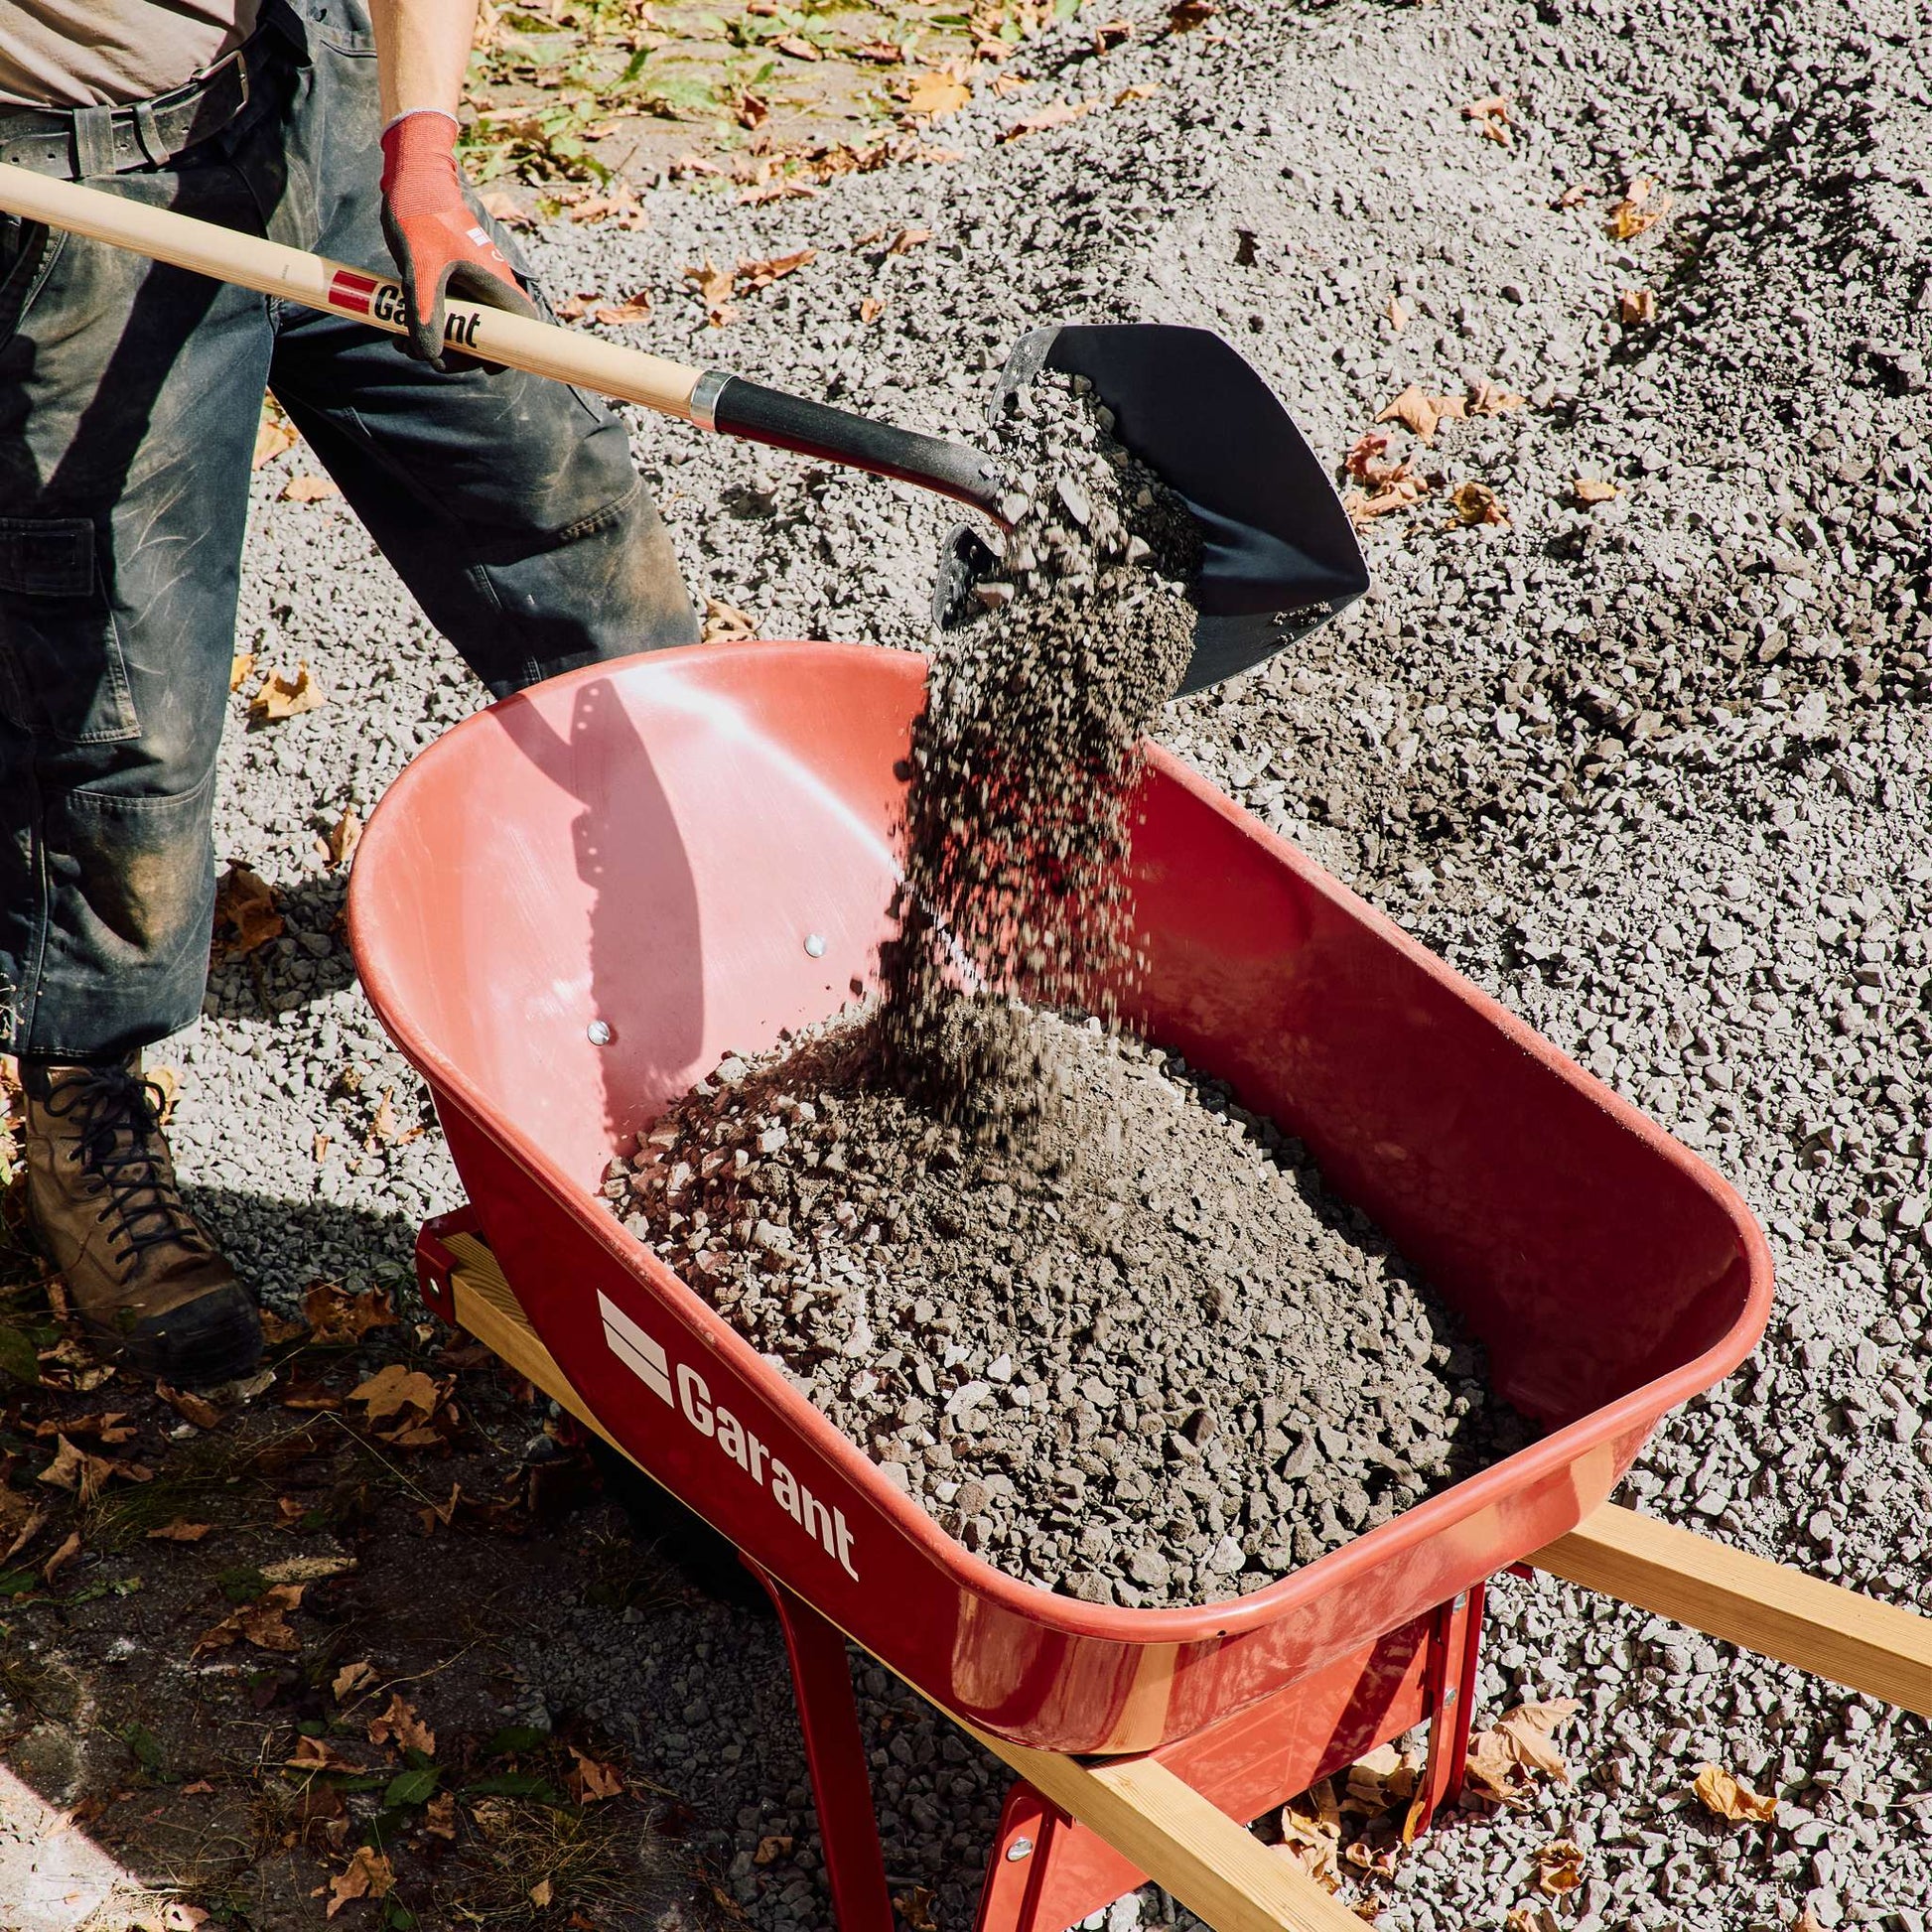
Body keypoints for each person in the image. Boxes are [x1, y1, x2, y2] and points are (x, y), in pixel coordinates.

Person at [0, 0, 700, 1385]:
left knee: (563, 508)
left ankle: (696, 913)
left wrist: (420, 155)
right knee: (126, 713)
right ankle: (84, 1109)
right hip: (73, 193)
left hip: (306, 92)